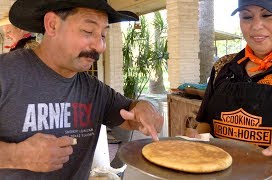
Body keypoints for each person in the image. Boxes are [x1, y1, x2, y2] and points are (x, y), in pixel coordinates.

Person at [0, 0, 163, 179]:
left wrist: (145, 109)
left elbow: (131, 112)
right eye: (88, 31)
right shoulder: (5, 73)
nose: (100, 46)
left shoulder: (93, 90)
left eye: (102, 35)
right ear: (52, 25)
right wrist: (16, 155)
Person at [186, 0, 272, 179]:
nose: (256, 26)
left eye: (267, 15)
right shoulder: (223, 67)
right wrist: (197, 137)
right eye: (247, 16)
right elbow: (206, 124)